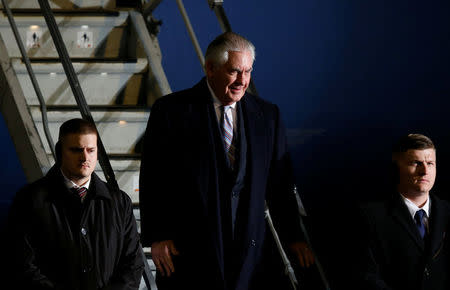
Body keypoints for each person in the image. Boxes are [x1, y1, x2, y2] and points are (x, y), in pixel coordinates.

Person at [139, 32, 313, 290]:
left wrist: (294, 238)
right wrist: (158, 236)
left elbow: (281, 183)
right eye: (234, 71)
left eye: (248, 71)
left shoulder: (267, 116)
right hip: (187, 254)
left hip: (249, 258)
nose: (243, 81)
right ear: (210, 68)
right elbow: (154, 178)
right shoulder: (171, 111)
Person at [5, 118, 144, 290]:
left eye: (91, 150)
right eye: (76, 150)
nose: (85, 157)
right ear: (60, 152)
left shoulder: (120, 203)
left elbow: (133, 263)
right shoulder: (29, 200)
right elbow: (21, 264)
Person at [356, 133, 450, 290]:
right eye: (416, 163)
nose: (425, 171)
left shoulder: (447, 212)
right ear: (396, 168)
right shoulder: (371, 216)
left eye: (430, 163)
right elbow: (366, 275)